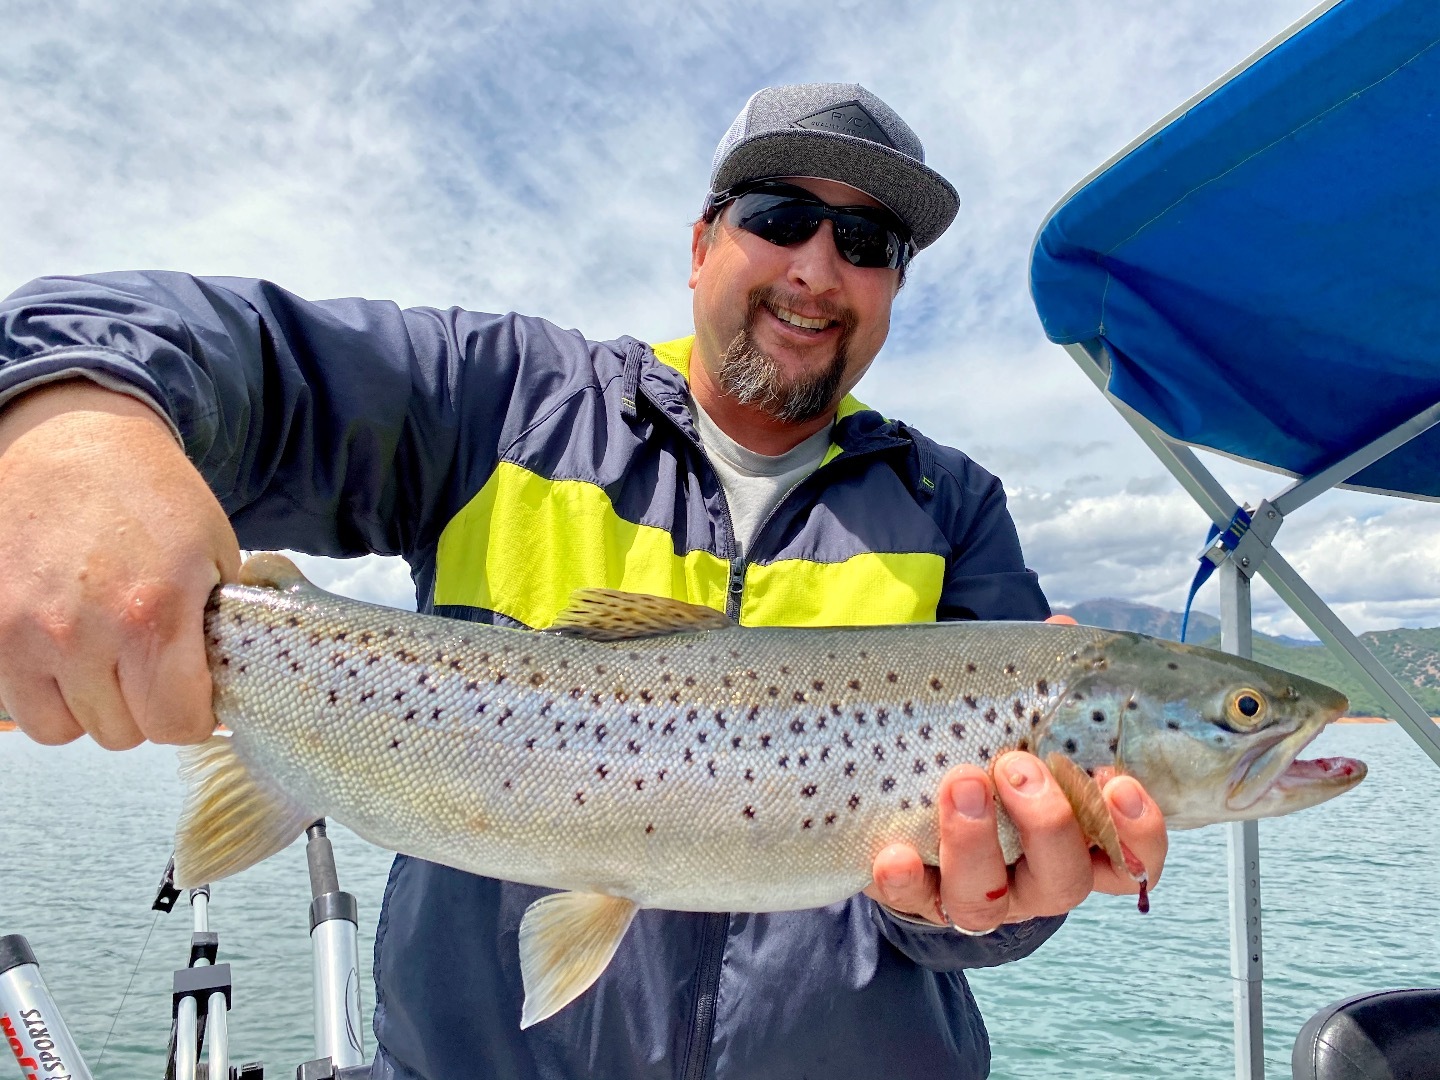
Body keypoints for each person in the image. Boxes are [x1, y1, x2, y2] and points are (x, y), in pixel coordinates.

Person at [0, 83, 1167, 1078]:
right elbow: (205, 338)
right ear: (702, 243)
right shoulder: (499, 398)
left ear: (894, 288)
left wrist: (981, 910)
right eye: (781, 217)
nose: (820, 267)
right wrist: (71, 421)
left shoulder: (954, 506)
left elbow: (977, 928)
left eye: (869, 245)